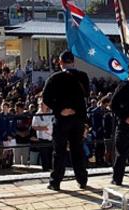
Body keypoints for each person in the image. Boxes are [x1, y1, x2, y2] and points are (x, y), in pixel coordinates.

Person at [42, 50, 89, 191]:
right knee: (78, 150)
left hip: (61, 119)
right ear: (74, 62)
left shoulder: (54, 78)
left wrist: (60, 109)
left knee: (59, 151)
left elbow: (46, 98)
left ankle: (55, 182)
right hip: (78, 119)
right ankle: (82, 180)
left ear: (60, 62)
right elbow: (86, 94)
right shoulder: (83, 77)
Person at [30, 99, 54, 171]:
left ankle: (51, 170)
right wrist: (42, 128)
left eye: (43, 104)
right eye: (40, 104)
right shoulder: (37, 114)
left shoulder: (52, 112)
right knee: (44, 156)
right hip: (42, 138)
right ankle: (45, 170)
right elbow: (34, 126)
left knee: (51, 155)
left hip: (51, 137)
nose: (41, 105)